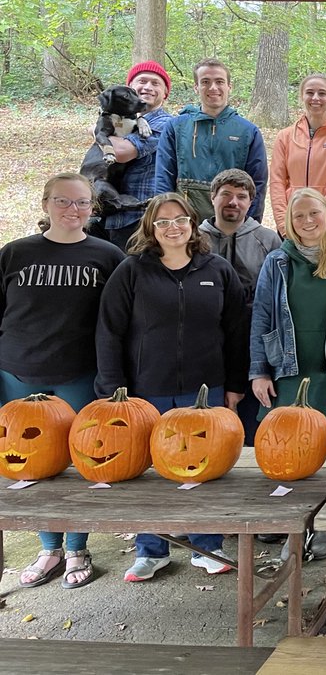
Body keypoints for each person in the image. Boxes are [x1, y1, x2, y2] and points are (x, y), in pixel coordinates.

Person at [96, 192, 248, 582]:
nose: (173, 227)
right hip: (147, 389)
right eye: (163, 221)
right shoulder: (132, 271)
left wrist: (234, 384)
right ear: (151, 228)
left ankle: (207, 546)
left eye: (180, 219)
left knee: (204, 465)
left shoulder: (217, 270)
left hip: (206, 392)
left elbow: (236, 331)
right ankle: (151, 550)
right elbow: (109, 331)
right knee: (151, 469)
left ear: (193, 223)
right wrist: (114, 388)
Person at [1, 173, 125, 590]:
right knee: (30, 463)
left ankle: (76, 548)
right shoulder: (15, 254)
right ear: (45, 204)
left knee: (83, 461)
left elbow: (118, 320)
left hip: (79, 373)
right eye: (63, 201)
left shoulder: (108, 256)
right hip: (18, 373)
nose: (73, 209)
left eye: (82, 202)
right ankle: (48, 547)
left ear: (92, 208)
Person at [251, 188, 326, 430]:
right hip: (285, 373)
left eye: (314, 213)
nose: (307, 220)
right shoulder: (276, 262)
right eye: (299, 215)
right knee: (286, 442)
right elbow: (261, 319)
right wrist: (259, 373)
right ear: (290, 221)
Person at [200, 168, 282, 442]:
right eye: (226, 194)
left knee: (252, 424)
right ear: (212, 197)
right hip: (206, 345)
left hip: (252, 343)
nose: (233, 202)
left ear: (251, 202)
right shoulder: (195, 239)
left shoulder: (267, 240)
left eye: (241, 196)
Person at [154, 58, 268, 222]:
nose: (213, 87)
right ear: (196, 87)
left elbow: (257, 184)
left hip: (230, 221)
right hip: (185, 222)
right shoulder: (176, 127)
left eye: (219, 81)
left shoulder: (248, 132)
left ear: (229, 86)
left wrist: (250, 225)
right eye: (205, 82)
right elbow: (163, 176)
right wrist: (166, 217)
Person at [102, 60, 174, 249]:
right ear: (130, 89)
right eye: (142, 81)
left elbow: (121, 152)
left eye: (155, 83)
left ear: (165, 93)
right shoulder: (120, 121)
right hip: (110, 214)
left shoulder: (165, 123)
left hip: (141, 219)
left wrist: (97, 132)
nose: (148, 87)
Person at [269, 73, 326, 230]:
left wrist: (320, 218)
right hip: (292, 219)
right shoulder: (285, 136)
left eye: (322, 93)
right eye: (309, 92)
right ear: (302, 96)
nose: (315, 98)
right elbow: (277, 182)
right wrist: (283, 224)